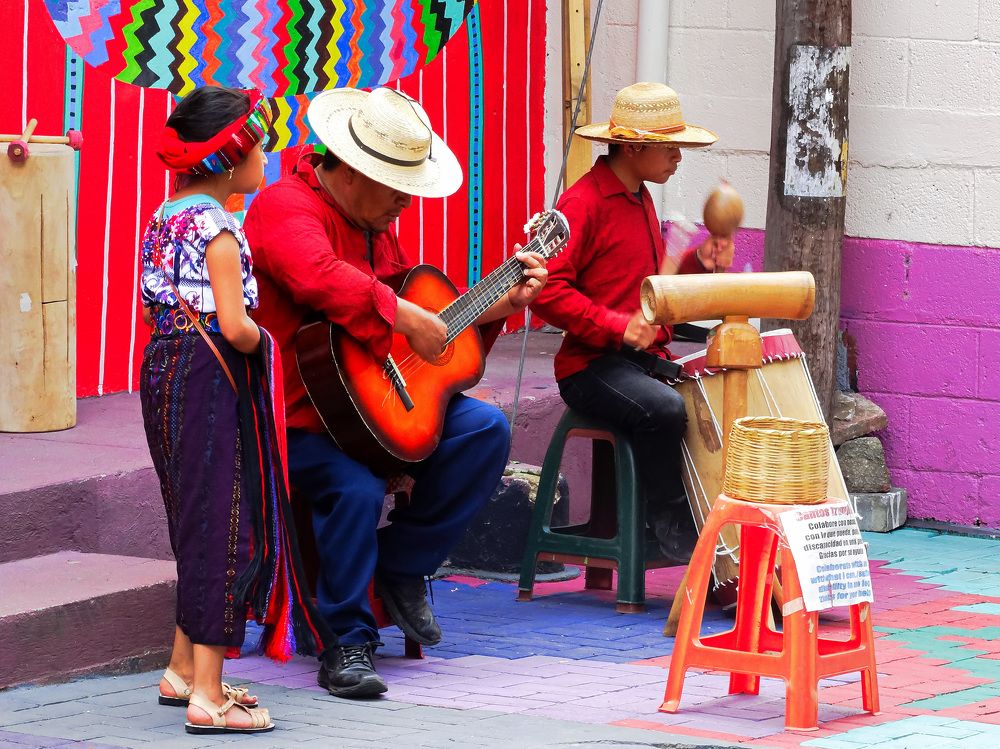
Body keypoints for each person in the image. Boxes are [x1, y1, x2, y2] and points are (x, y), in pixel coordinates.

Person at [243, 86, 548, 699]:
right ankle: (348, 642)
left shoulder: (376, 226)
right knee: (353, 487)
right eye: (396, 187)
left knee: (485, 431)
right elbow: (320, 278)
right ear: (354, 172)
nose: (406, 203)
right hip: (297, 419)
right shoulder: (282, 207)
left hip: (373, 411)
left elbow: (427, 350)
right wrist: (404, 314)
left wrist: (497, 311)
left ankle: (401, 565)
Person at [140, 86, 330, 735]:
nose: (266, 159)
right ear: (230, 158)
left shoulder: (166, 215)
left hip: (164, 369)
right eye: (258, 146)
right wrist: (267, 340)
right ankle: (211, 696)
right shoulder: (219, 228)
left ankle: (181, 668)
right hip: (209, 377)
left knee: (192, 520)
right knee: (222, 527)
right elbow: (235, 326)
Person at [530, 82, 735, 562]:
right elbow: (545, 291)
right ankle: (665, 519)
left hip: (639, 361)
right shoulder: (581, 205)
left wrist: (697, 263)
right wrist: (615, 326)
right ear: (635, 146)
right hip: (591, 367)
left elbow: (650, 290)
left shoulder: (639, 196)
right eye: (670, 148)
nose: (678, 158)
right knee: (663, 409)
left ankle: (711, 525)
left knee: (718, 395)